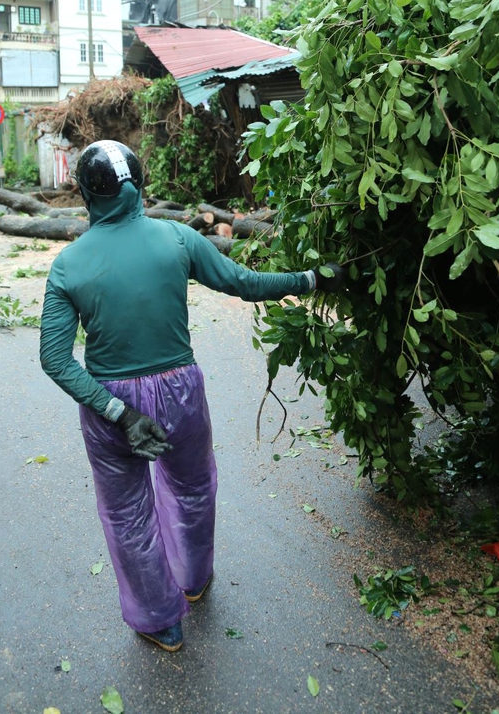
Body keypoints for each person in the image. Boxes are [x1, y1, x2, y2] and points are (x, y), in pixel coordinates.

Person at [39, 139, 344, 653]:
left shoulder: (68, 265)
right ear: (139, 184)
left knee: (125, 513)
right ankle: (194, 579)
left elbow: (56, 358)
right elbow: (243, 282)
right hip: (179, 392)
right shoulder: (178, 239)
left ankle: (161, 621)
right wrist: (313, 278)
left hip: (110, 406)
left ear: (88, 195)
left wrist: (118, 411)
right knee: (193, 486)